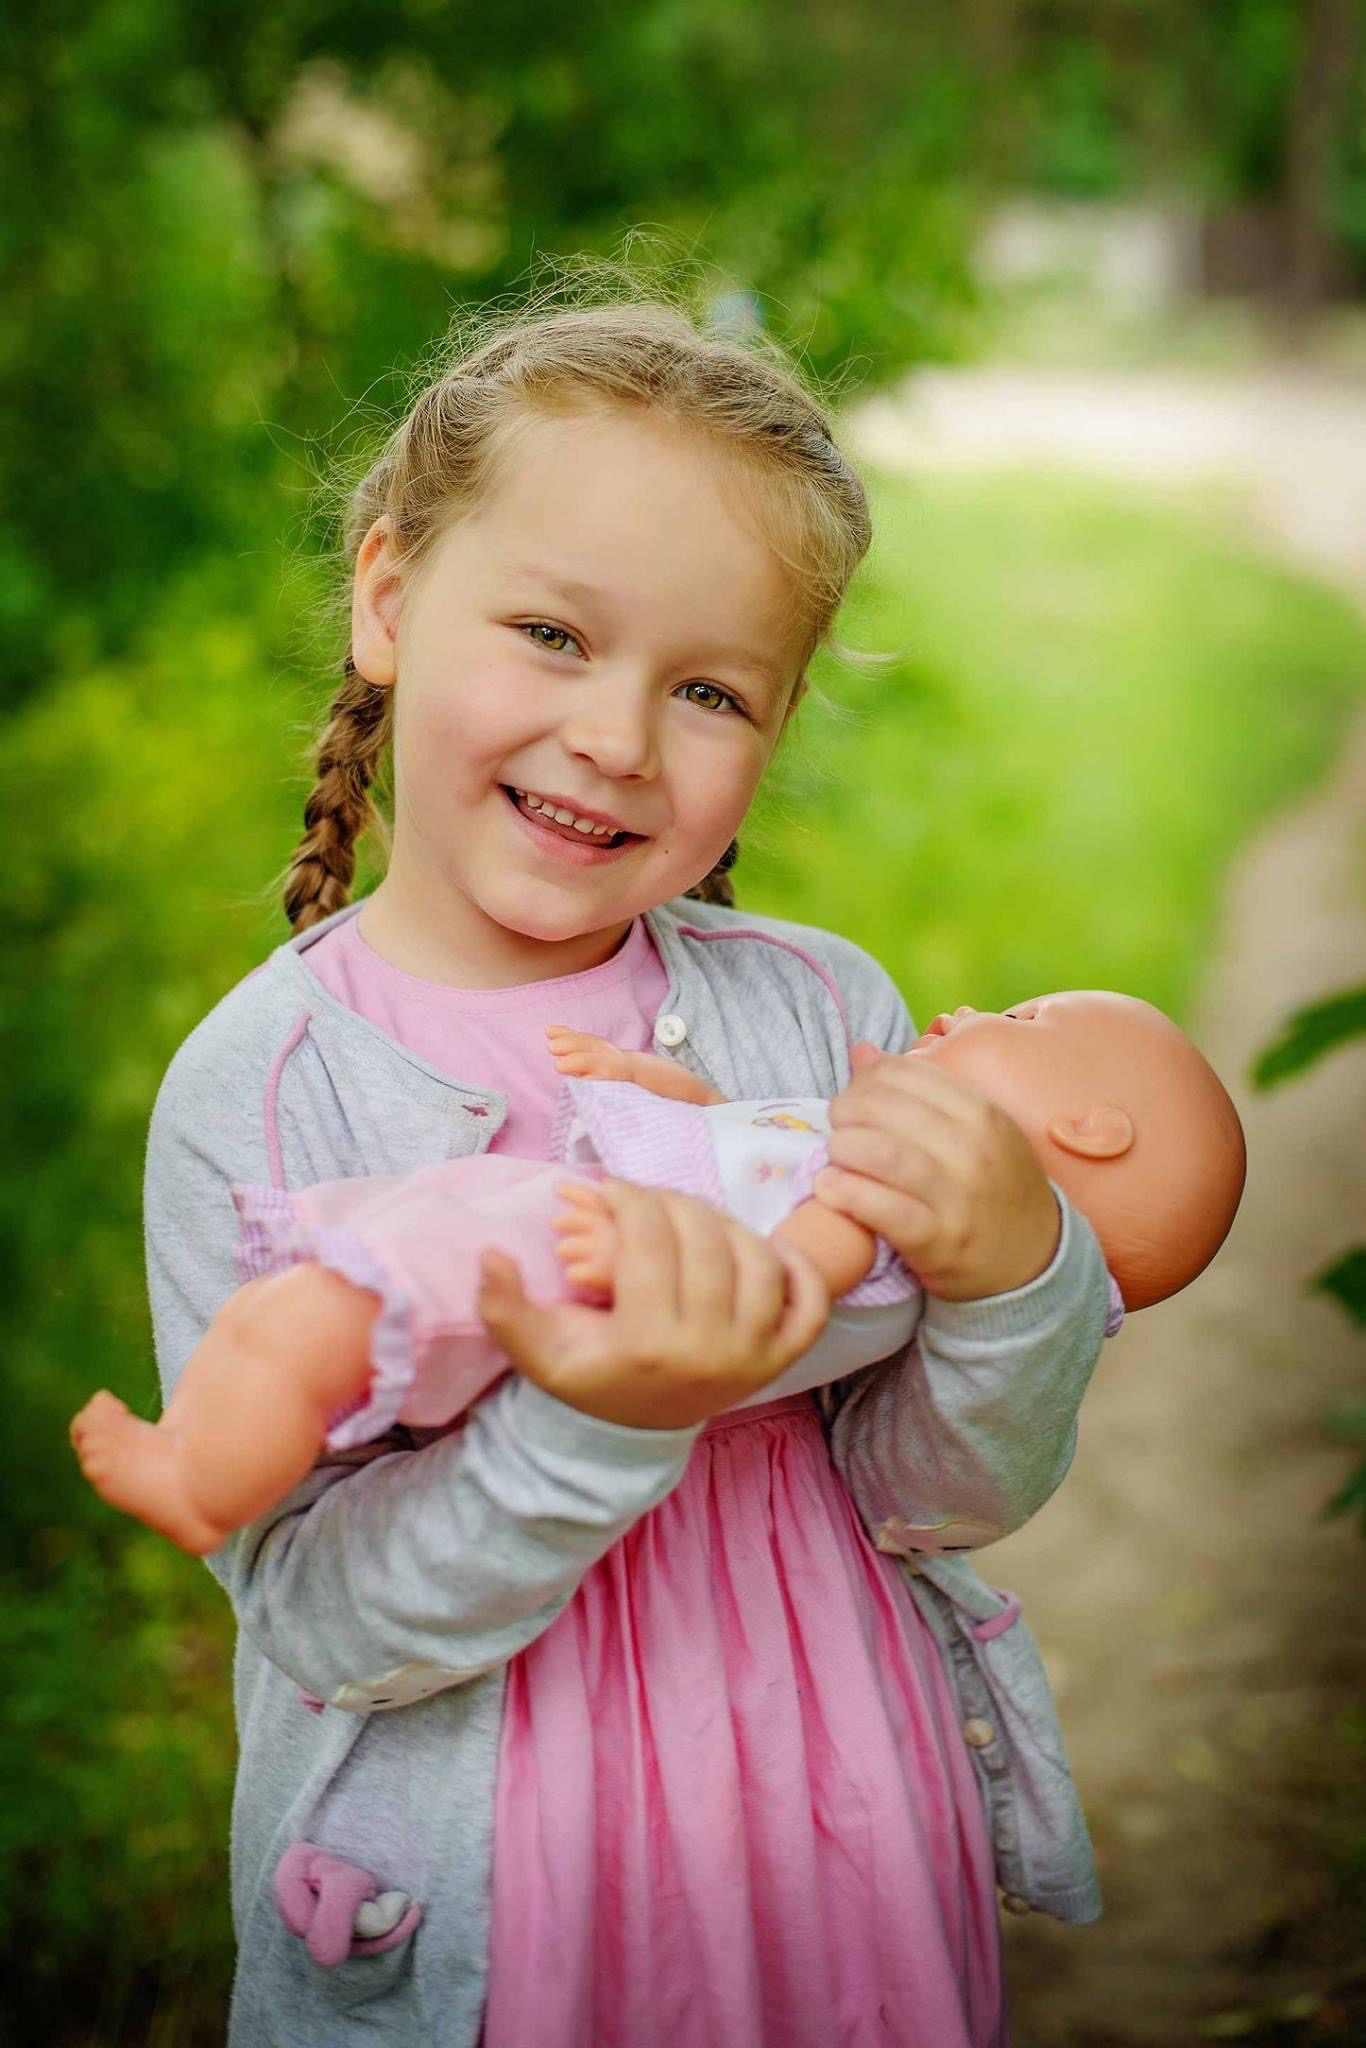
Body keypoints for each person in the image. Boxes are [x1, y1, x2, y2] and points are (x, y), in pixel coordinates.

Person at [136, 294, 1119, 2048]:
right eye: (550, 632)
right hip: (515, 1891)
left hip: (834, 1819)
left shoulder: (827, 1010)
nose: (617, 736)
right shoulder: (274, 1088)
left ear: (780, 719)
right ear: (385, 600)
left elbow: (936, 1487)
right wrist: (603, 1416)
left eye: (710, 689)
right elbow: (324, 1611)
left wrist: (1013, 1276)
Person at [72, 989, 1245, 1560]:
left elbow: (776, 1278)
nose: (965, 1006)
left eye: (1021, 1013)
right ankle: (208, 1453)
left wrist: (653, 1258)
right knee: (301, 1313)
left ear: (1092, 1128)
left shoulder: (892, 1217)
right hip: (577, 1231)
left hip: (581, 1260)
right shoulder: (873, 1152)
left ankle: (209, 1484)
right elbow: (742, 1138)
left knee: (315, 1317)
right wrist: (643, 1078)